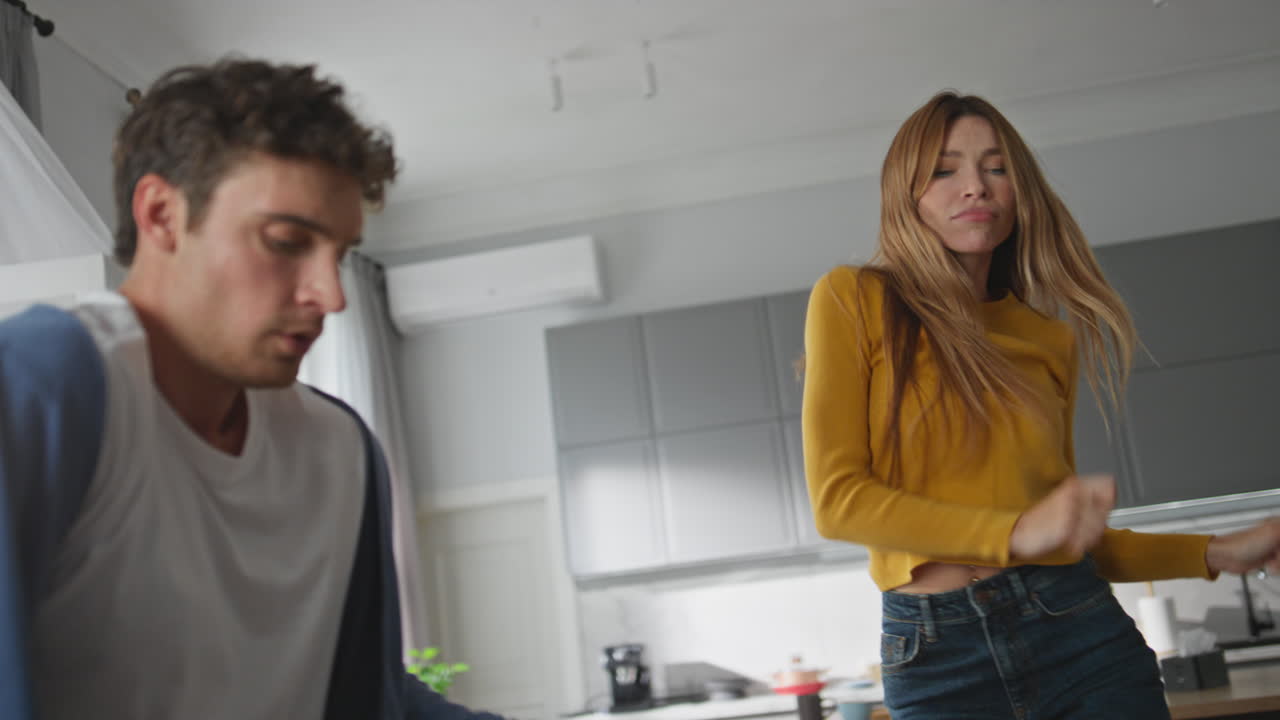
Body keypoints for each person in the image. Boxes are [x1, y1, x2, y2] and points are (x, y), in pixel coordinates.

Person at [0, 58, 506, 720]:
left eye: (339, 254)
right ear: (161, 215)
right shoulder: (45, 386)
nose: (328, 295)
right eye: (287, 241)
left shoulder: (342, 450)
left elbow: (371, 700)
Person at [801, 91, 1280, 719]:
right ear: (905, 194)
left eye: (996, 168)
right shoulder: (854, 299)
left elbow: (1070, 540)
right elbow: (839, 503)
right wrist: (1019, 531)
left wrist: (1217, 551)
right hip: (936, 656)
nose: (975, 186)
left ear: (1019, 191)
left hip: (1077, 633)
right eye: (945, 169)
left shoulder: (1045, 338)